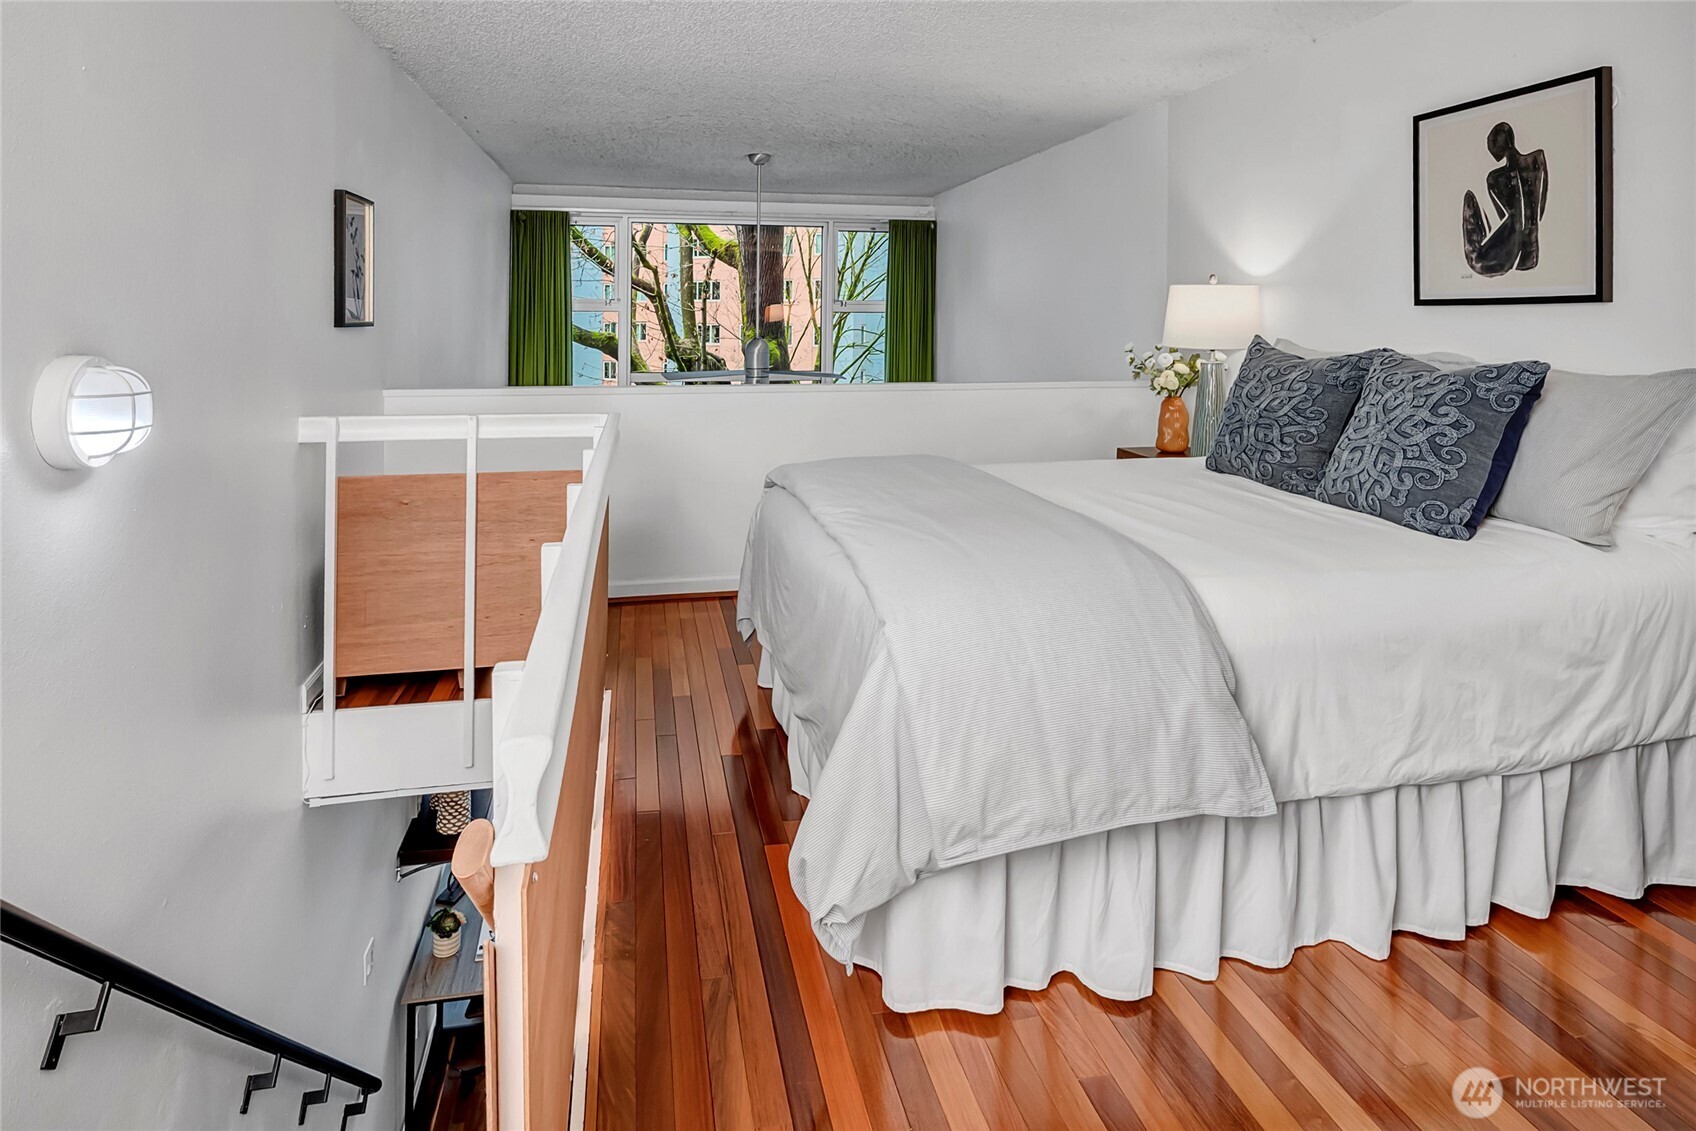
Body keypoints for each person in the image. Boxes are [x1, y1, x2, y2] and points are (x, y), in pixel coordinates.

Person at [1461, 121, 1549, 277]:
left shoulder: (1495, 179)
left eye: (1491, 142)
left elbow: (1504, 215)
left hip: (1513, 246)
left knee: (1479, 258)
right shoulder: (1537, 159)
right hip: (1529, 251)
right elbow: (1540, 205)